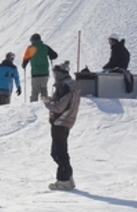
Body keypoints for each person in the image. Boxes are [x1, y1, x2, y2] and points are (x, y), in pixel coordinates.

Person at [43, 61, 81, 191]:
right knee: (58, 152)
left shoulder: (65, 87)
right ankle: (68, 178)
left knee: (59, 153)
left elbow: (58, 107)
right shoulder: (71, 85)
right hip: (66, 121)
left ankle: (63, 180)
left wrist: (46, 102)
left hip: (60, 121)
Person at [22, 33, 58, 102]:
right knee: (44, 90)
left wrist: (24, 65)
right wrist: (50, 56)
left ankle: (32, 106)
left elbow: (25, 59)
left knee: (35, 91)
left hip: (35, 73)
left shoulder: (30, 48)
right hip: (45, 73)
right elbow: (55, 55)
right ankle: (44, 105)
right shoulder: (45, 47)